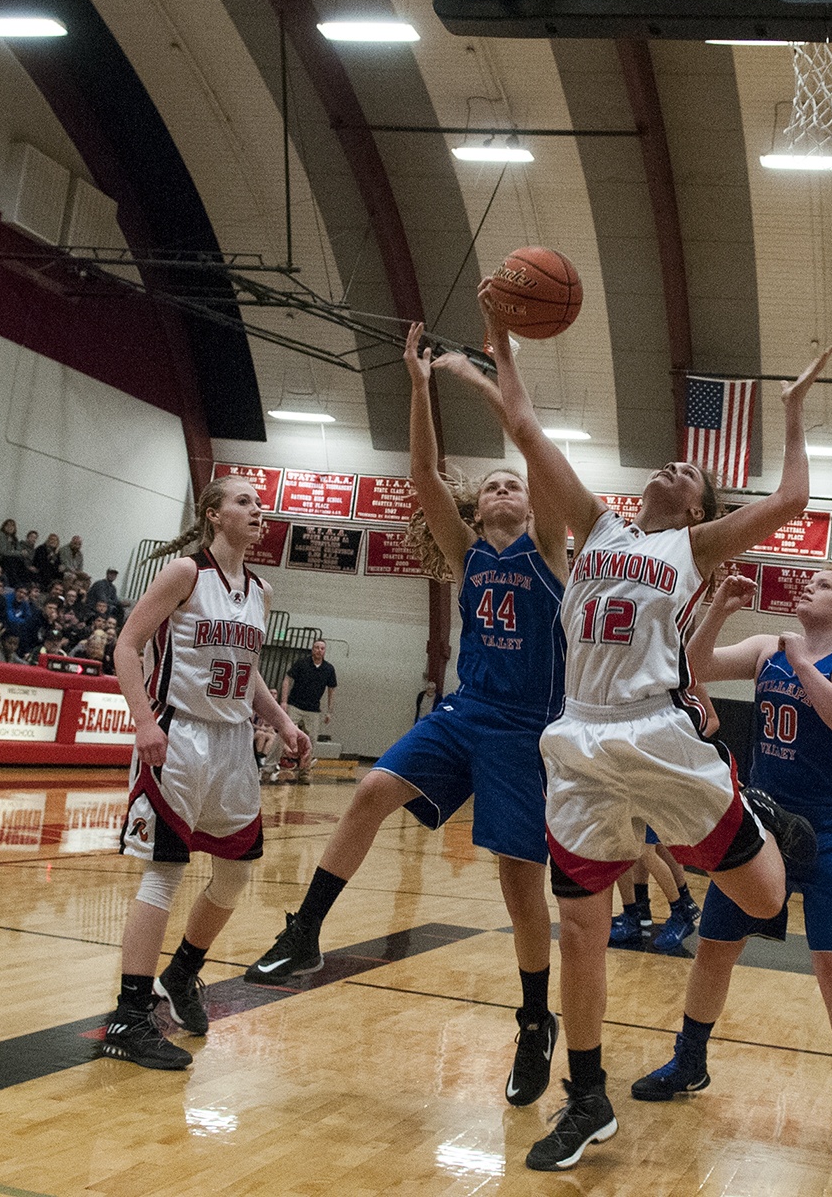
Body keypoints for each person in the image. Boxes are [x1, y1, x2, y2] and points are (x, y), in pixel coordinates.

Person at [477, 278, 832, 1171]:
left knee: (764, 899)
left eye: (688, 473)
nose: (671, 467)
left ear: (700, 510)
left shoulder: (692, 546)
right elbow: (524, 427)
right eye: (667, 463)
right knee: (581, 925)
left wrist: (791, 412)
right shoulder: (595, 527)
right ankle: (587, 1096)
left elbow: (792, 499)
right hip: (578, 738)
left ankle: (766, 825)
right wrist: (501, 338)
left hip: (657, 734)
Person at [245, 321, 569, 1110]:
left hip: (525, 729)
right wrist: (419, 385)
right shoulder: (468, 553)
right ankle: (305, 932)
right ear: (477, 506)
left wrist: (493, 381)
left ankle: (535, 1021)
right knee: (369, 792)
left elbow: (534, 449)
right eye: (492, 484)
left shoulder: (551, 551)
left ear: (531, 501)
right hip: (465, 712)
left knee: (518, 881)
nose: (504, 489)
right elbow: (423, 473)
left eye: (514, 484)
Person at [632, 566, 832, 1163]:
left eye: (825, 584)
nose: (809, 586)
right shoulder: (769, 647)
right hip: (767, 824)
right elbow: (692, 668)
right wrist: (718, 609)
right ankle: (690, 1061)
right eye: (809, 581)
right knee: (715, 946)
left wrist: (802, 663)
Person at [101, 475, 311, 1070]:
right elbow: (126, 646)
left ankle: (182, 973)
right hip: (180, 735)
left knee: (237, 872)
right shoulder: (185, 573)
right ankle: (129, 1017)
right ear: (214, 514)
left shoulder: (261, 590)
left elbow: (249, 671)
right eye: (244, 501)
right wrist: (144, 721)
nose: (257, 509)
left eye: (258, 502)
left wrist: (283, 722)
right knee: (165, 873)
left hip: (233, 742)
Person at [281, 639, 337, 738]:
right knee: (284, 734)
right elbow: (287, 680)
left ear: (325, 651)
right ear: (312, 649)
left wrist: (329, 712)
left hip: (313, 709)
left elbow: (331, 691)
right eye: (317, 647)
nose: (319, 650)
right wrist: (284, 702)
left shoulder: (329, 669)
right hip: (294, 705)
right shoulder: (302, 663)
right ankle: (274, 749)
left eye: (322, 648)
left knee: (312, 739)